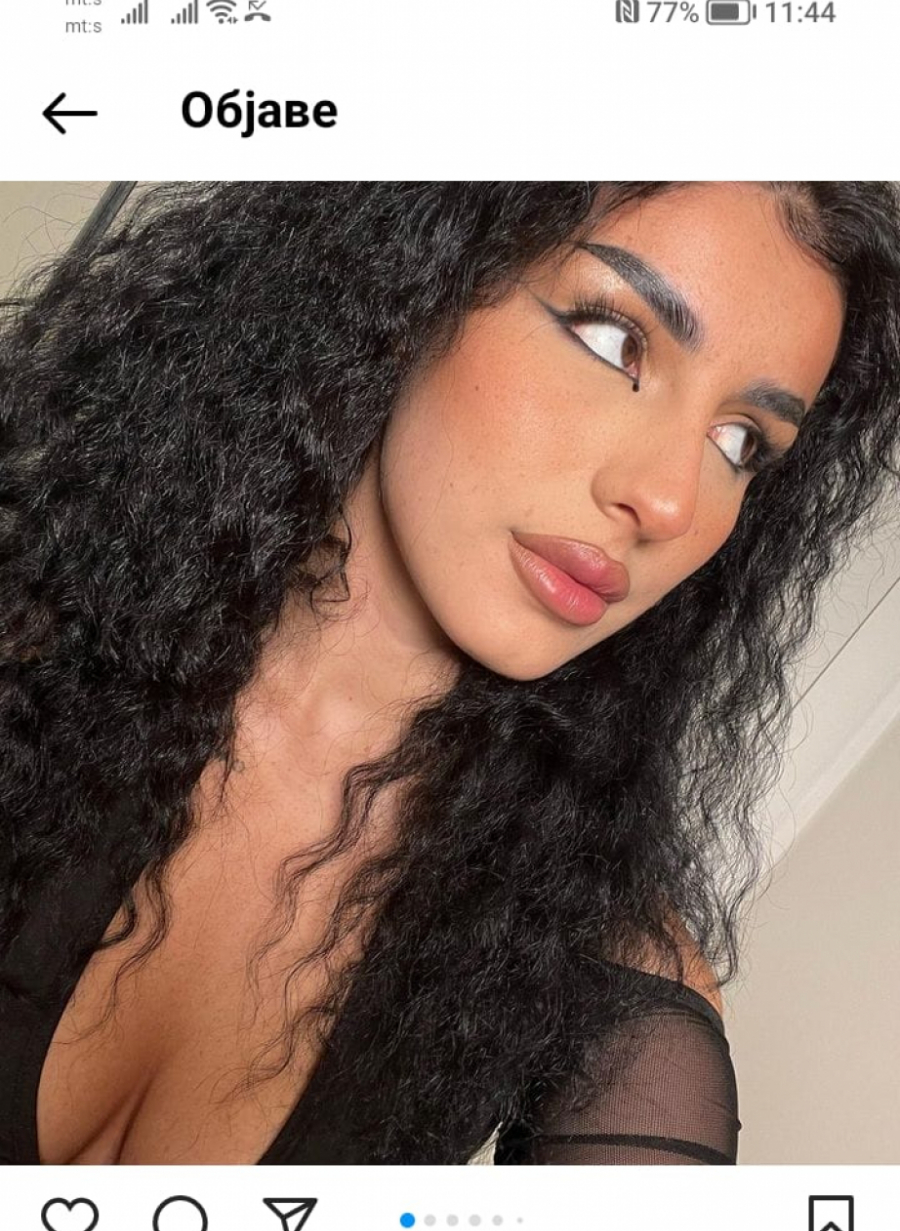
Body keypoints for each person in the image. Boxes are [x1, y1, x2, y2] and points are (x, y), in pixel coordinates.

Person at [0, 181, 898, 1166]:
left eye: (740, 442)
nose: (669, 500)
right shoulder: (28, 653)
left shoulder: (606, 987)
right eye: (615, 340)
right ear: (414, 274)